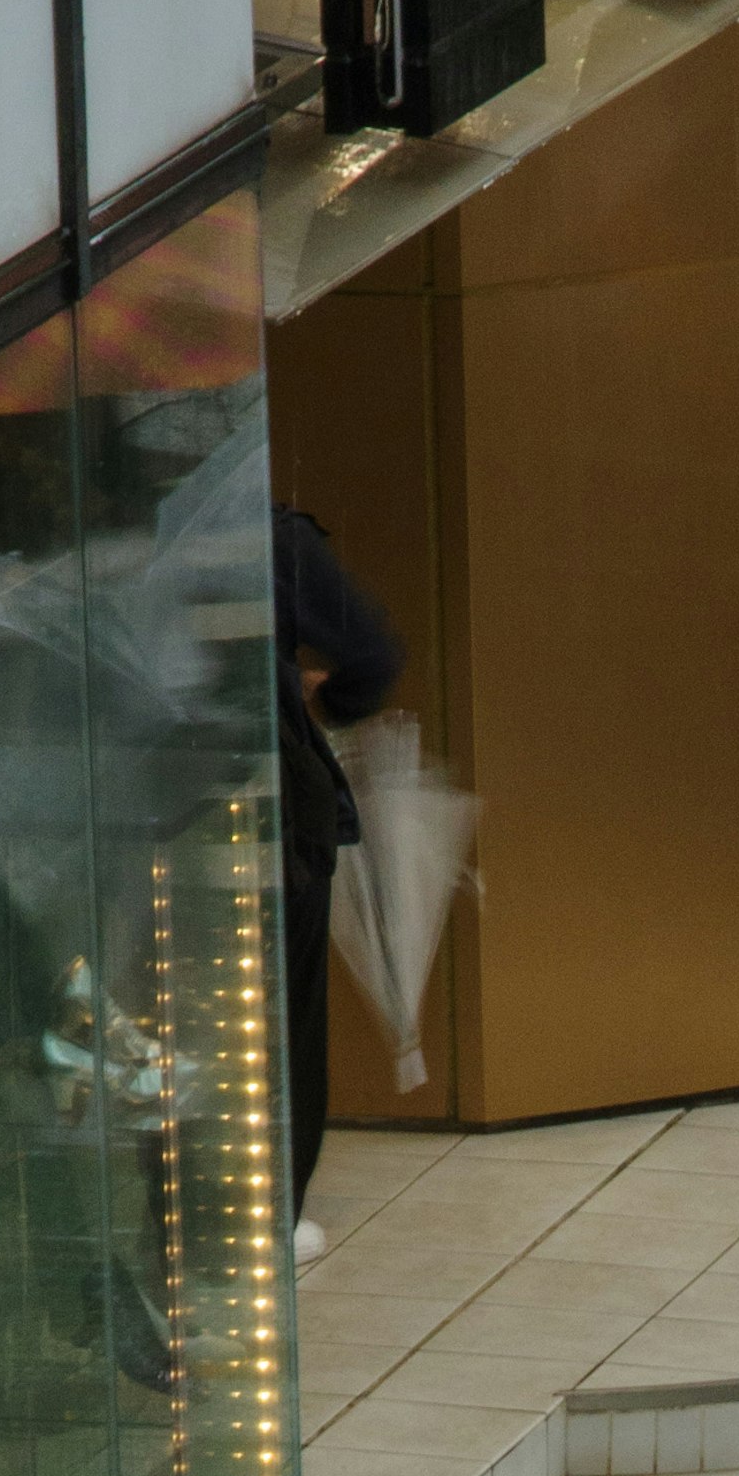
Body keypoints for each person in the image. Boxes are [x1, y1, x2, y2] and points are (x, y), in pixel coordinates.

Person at [273, 504, 406, 1244]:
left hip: (151, 819)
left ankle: (182, 1221)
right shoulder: (263, 538)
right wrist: (309, 690)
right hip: (275, 820)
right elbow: (371, 657)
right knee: (281, 1027)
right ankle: (268, 1223)